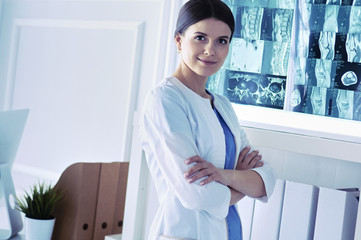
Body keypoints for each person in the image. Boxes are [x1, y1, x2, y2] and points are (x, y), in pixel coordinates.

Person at [140, 0, 276, 239]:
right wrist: (242, 184)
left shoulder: (222, 105)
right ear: (179, 41)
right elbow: (197, 195)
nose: (210, 51)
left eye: (221, 41)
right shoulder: (165, 99)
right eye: (200, 38)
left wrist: (224, 176)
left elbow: (266, 180)